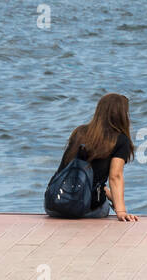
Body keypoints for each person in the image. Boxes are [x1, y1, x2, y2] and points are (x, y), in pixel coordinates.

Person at [52, 93, 137, 221]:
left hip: (55, 205)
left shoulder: (80, 132)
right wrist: (121, 211)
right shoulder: (120, 140)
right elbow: (115, 176)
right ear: (122, 115)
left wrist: (110, 195)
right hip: (85, 209)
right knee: (104, 207)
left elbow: (79, 176)